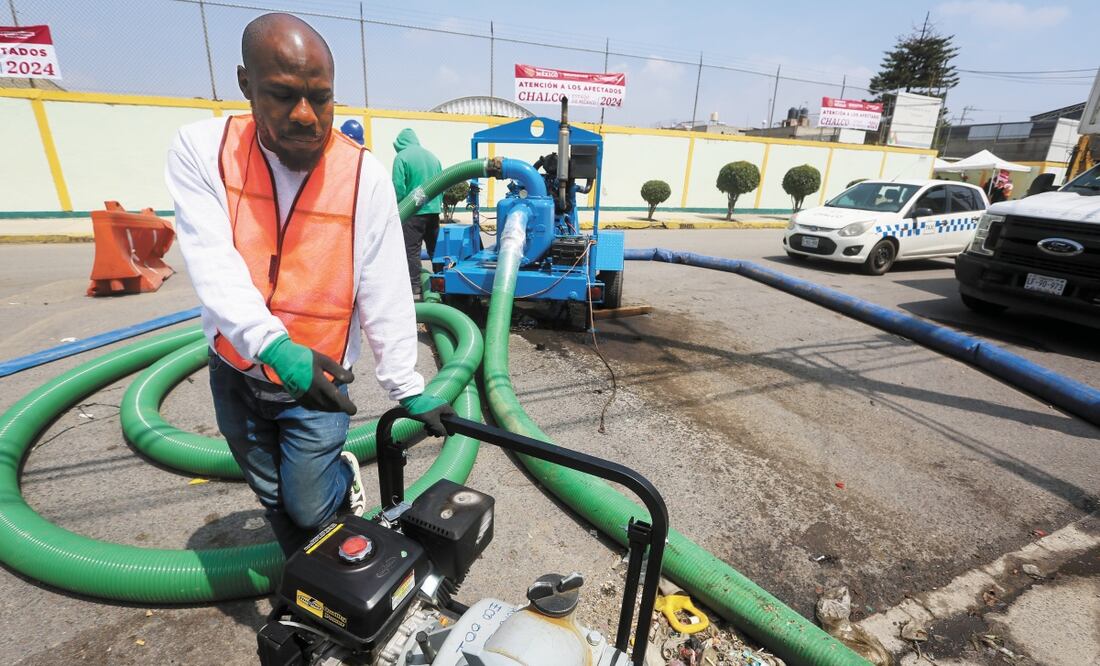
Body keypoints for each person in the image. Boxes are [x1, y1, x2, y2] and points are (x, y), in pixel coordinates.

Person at [165, 13, 453, 556]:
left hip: (318, 380)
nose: (306, 116)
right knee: (272, 493)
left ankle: (335, 495)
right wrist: (271, 345)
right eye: (282, 95)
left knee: (309, 504)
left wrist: (406, 387)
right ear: (246, 84)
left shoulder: (362, 175)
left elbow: (384, 285)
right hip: (236, 367)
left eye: (321, 98)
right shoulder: (203, 150)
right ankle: (304, 575)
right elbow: (212, 261)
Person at [392, 128, 442, 296]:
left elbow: (398, 188)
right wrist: (436, 206)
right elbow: (442, 183)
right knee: (435, 250)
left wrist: (399, 209)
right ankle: (440, 282)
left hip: (413, 212)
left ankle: (414, 287)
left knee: (411, 250)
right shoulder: (433, 157)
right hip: (434, 211)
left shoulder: (402, 157)